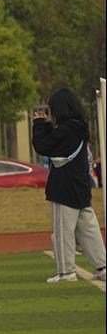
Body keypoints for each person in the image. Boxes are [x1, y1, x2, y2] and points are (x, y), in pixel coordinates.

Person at [31, 87, 106, 283]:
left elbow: (43, 146)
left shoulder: (65, 130)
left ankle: (66, 271)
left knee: (63, 231)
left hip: (64, 187)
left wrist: (39, 124)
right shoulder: (79, 127)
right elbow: (57, 143)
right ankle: (102, 266)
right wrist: (48, 127)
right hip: (81, 186)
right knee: (89, 229)